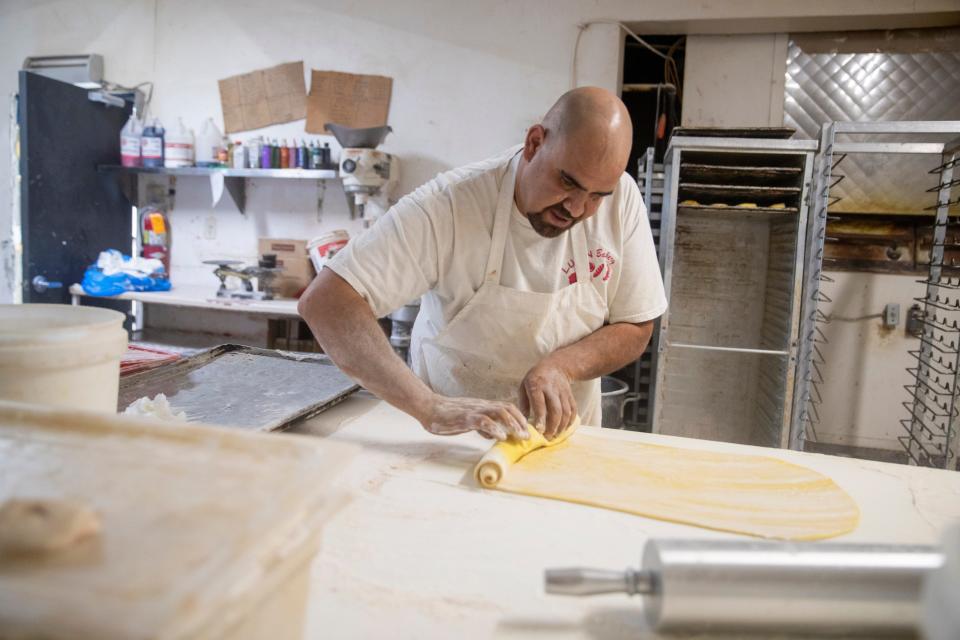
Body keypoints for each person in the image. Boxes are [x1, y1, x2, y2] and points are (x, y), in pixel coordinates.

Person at [298, 86, 667, 443]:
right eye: (567, 182)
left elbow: (636, 323)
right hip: (453, 443)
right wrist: (430, 408)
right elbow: (326, 302)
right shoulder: (451, 206)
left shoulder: (623, 200)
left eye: (596, 197)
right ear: (535, 143)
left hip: (562, 445)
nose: (576, 209)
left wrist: (563, 366)